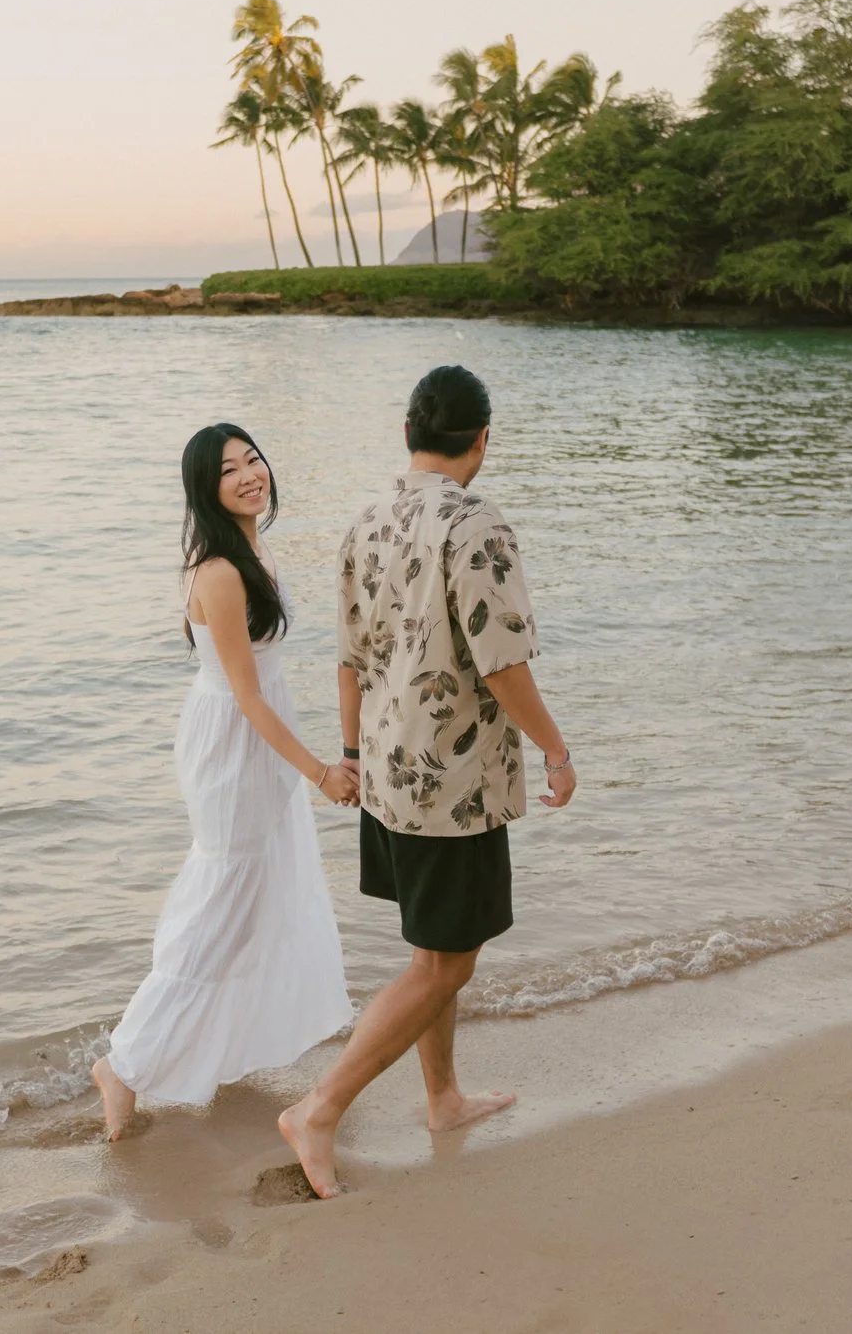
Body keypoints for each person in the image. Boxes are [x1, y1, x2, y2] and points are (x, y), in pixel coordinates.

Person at [276, 365, 577, 1197]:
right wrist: (555, 748)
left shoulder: (366, 521)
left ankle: (442, 1097)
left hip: (383, 768)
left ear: (408, 435)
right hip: (454, 782)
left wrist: (347, 753)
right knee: (448, 963)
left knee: (431, 944)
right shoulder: (478, 522)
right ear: (482, 438)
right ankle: (320, 1107)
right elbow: (503, 663)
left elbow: (348, 658)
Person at [91, 423, 361, 1139]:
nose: (249, 474)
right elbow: (247, 694)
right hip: (237, 743)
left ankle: (215, 1047)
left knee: (254, 899)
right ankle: (122, 1064)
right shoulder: (218, 569)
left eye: (253, 459)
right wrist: (320, 772)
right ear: (205, 490)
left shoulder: (255, 549)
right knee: (221, 902)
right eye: (228, 469)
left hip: (256, 736)